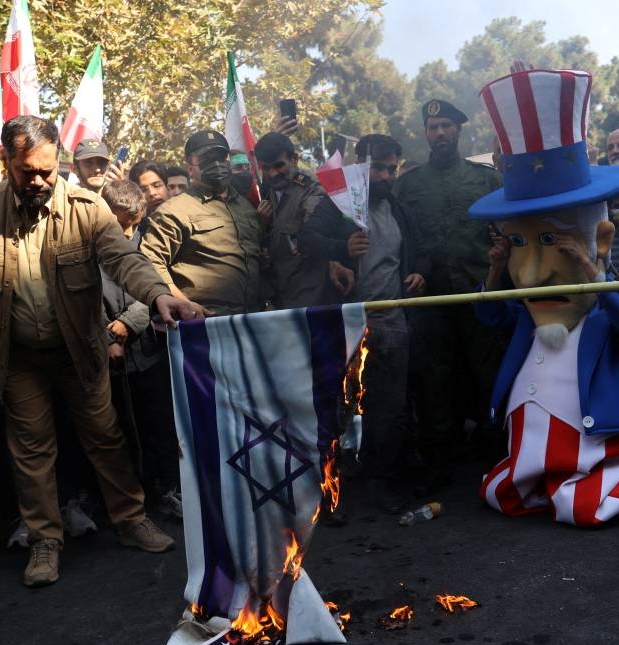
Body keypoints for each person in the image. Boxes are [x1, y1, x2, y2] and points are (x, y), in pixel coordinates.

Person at [0, 115, 201, 587]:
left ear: (57, 158)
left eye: (47, 170)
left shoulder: (87, 207)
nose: (39, 180)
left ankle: (131, 519)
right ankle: (45, 540)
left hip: (81, 350)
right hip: (17, 358)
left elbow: (124, 259)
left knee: (106, 437)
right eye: (27, 172)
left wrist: (159, 296)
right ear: (7, 162)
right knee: (31, 452)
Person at [471, 68, 619, 525]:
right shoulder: (526, 311)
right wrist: (495, 269)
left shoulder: (615, 297)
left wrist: (588, 271)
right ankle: (539, 478)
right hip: (529, 446)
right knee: (503, 491)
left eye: (551, 242)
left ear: (600, 242)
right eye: (520, 245)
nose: (532, 276)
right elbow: (490, 317)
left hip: (595, 436)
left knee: (582, 506)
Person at [298, 133, 429, 514]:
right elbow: (307, 239)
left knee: (390, 409)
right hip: (346, 325)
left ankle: (381, 484)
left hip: (393, 323)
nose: (386, 176)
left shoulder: (399, 209)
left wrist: (420, 272)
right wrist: (340, 249)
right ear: (361, 167)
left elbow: (422, 252)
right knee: (337, 409)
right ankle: (330, 493)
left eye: (392, 169)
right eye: (379, 169)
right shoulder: (338, 205)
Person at [392, 98, 504, 494]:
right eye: (433, 127)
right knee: (435, 380)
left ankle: (498, 458)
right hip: (432, 299)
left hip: (480, 294)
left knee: (487, 373)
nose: (439, 133)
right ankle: (440, 461)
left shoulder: (485, 180)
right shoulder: (408, 186)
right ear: (426, 133)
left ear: (458, 130)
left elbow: (506, 228)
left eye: (446, 126)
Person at [99, 179, 182, 519]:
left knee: (159, 425)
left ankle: (167, 490)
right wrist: (108, 339)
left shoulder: (147, 241)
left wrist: (128, 324)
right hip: (105, 356)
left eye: (133, 223)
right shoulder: (89, 245)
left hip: (146, 351)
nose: (126, 231)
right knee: (117, 432)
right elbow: (81, 298)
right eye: (120, 223)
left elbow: (156, 288)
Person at [140, 130, 263, 314]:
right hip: (204, 320)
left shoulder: (246, 206)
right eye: (207, 160)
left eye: (221, 158)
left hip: (253, 317)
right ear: (190, 168)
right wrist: (182, 303)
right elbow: (149, 261)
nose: (217, 165)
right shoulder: (174, 210)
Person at [253, 131, 330, 309]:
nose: (273, 174)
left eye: (279, 166)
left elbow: (314, 233)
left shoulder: (310, 189)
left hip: (310, 298)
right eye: (266, 168)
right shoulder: (270, 190)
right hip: (281, 295)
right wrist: (262, 226)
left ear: (294, 159)